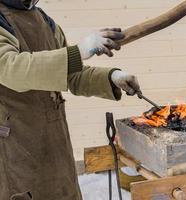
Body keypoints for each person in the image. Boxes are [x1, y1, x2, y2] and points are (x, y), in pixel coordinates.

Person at [0, 0, 141, 199]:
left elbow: (70, 74)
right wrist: (80, 51)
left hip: (53, 137)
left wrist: (111, 78)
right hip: (15, 141)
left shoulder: (44, 20)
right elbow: (11, 69)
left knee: (63, 191)